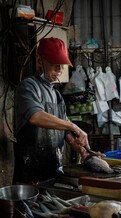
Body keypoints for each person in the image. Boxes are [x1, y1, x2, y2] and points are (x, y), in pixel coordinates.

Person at [13, 37, 104, 183]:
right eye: (56, 65)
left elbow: (65, 132)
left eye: (62, 65)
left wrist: (83, 150)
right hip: (30, 175)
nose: (60, 70)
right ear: (39, 60)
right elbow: (35, 116)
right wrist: (73, 126)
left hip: (54, 173)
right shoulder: (28, 87)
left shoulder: (57, 95)